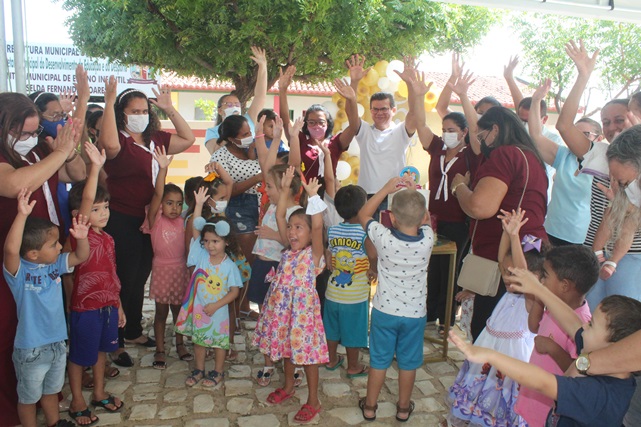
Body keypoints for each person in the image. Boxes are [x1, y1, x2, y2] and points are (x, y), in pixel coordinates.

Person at [97, 77, 195, 367]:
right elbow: (108, 143)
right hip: (123, 218)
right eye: (133, 112)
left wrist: (169, 109)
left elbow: (188, 139)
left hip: (150, 218)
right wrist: (108, 101)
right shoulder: (120, 143)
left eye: (144, 111)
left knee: (139, 276)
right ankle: (115, 340)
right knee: (124, 277)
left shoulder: (156, 139)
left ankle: (134, 331)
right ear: (121, 115)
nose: (140, 116)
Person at [0, 93, 79, 427]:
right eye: (23, 133)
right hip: (13, 259)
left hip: (44, 258)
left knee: (43, 332)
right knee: (10, 333)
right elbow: (16, 183)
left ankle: (46, 401)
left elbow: (74, 172)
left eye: (34, 132)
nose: (29, 140)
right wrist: (58, 153)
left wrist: (68, 148)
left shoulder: (36, 150)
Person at [482, 262, 641, 426]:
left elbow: (543, 382)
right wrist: (538, 289)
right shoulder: (600, 353)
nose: (584, 325)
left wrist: (492, 356)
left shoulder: (599, 394)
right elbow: (572, 323)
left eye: (592, 324)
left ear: (614, 346)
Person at [450, 106, 549, 341]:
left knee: (490, 330)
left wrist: (459, 187)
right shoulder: (532, 156)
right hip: (533, 249)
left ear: (495, 129)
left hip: (504, 255)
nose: (482, 144)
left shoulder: (506, 154)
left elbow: (480, 207)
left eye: (483, 137)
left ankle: (486, 376)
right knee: (517, 329)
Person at [446, 208, 544, 427]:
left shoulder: (532, 300)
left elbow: (521, 271)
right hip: (488, 352)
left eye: (513, 273)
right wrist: (506, 233)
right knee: (476, 396)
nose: (508, 277)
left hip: (510, 360)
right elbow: (501, 258)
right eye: (506, 272)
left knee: (498, 404)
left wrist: (515, 237)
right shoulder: (509, 293)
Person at [3, 189, 90, 427]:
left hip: (57, 344)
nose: (60, 247)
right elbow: (11, 250)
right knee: (29, 398)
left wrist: (81, 237)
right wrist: (21, 215)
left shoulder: (55, 264)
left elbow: (81, 255)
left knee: (51, 391)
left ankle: (54, 423)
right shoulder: (19, 273)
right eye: (53, 244)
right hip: (31, 349)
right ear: (33, 253)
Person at [252, 170, 329, 424]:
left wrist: (314, 198)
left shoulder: (313, 255)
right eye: (290, 228)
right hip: (284, 314)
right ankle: (288, 386)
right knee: (286, 351)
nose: (292, 232)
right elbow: (279, 214)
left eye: (299, 228)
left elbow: (317, 224)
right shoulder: (288, 250)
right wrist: (284, 190)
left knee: (308, 358)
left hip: (303, 319)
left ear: (309, 233)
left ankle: (313, 400)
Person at [357, 177, 433, 423]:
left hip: (384, 311)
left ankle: (370, 407)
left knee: (379, 360)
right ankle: (402, 408)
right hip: (415, 315)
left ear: (391, 218)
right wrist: (416, 194)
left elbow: (363, 214)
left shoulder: (383, 237)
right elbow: (426, 219)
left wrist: (387, 189)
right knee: (408, 363)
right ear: (423, 218)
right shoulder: (429, 239)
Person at [410, 67, 478, 333]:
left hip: (459, 220)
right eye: (444, 128)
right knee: (432, 268)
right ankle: (429, 314)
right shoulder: (438, 147)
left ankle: (447, 319)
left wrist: (461, 94)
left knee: (452, 269)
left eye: (452, 129)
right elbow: (419, 124)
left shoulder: (471, 154)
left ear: (463, 132)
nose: (447, 132)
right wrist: (417, 95)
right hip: (433, 219)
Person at [66, 143, 126, 425]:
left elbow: (112, 275)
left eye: (107, 207)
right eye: (97, 208)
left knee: (102, 351)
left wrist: (119, 306)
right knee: (80, 356)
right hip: (85, 308)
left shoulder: (109, 239)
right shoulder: (80, 234)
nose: (103, 213)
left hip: (108, 307)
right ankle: (77, 399)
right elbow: (87, 200)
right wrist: (95, 169)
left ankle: (99, 392)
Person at [513, 245, 597, 427]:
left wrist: (553, 348)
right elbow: (534, 326)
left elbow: (578, 371)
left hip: (547, 405)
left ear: (565, 285)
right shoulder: (554, 303)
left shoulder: (582, 324)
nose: (540, 280)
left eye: (545, 275)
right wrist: (539, 299)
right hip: (533, 393)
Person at [175, 189, 242, 388]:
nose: (210, 245)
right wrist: (197, 206)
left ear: (226, 241)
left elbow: (234, 292)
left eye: (215, 241)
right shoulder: (202, 255)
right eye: (206, 241)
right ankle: (199, 369)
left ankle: (218, 371)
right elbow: (196, 230)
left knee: (219, 343)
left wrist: (216, 305)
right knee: (199, 341)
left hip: (218, 312)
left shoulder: (229, 266)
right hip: (199, 310)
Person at [346, 56, 418, 211]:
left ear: (393, 110)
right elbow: (351, 114)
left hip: (395, 197)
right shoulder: (364, 131)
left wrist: (409, 84)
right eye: (375, 109)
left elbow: (414, 113)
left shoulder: (401, 131)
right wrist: (355, 82)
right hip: (366, 197)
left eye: (384, 109)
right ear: (370, 111)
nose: (379, 113)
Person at [529, 79, 593, 246]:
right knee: (530, 260)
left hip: (580, 241)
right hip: (547, 231)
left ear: (598, 139)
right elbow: (536, 136)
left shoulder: (604, 165)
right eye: (574, 133)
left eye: (585, 134)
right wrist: (536, 101)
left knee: (562, 273)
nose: (576, 138)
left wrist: (584, 75)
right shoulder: (565, 156)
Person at [144, 147, 193, 369]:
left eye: (178, 203)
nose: (174, 208)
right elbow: (156, 194)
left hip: (180, 270)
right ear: (161, 204)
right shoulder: (155, 221)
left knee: (179, 311)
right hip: (162, 271)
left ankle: (180, 344)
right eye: (169, 203)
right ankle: (161, 349)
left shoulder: (184, 222)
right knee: (161, 313)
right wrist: (164, 169)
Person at [210, 114, 262, 320]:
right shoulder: (220, 157)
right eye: (244, 134)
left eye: (250, 132)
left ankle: (244, 305)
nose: (249, 136)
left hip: (258, 208)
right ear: (231, 138)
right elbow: (224, 189)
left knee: (254, 261)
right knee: (243, 262)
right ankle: (236, 308)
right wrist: (256, 178)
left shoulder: (252, 152)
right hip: (236, 209)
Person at [324, 184, 373, 378]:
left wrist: (329, 256)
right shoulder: (364, 232)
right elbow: (374, 254)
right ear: (363, 208)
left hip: (332, 293)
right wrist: (374, 268)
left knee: (332, 329)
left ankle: (331, 359)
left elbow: (329, 250)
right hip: (355, 296)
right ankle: (353, 366)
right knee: (354, 331)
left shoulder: (333, 230)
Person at [280, 65, 355, 183]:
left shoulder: (336, 142)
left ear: (328, 123)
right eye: (312, 122)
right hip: (304, 195)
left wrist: (352, 99)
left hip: (329, 195)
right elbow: (285, 121)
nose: (317, 126)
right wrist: (282, 90)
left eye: (321, 122)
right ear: (306, 124)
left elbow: (354, 127)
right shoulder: (300, 139)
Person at [204, 47, 267, 155]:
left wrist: (263, 66)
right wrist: (229, 134)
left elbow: (260, 95)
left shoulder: (249, 119)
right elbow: (214, 151)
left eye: (237, 104)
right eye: (229, 105)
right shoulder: (213, 132)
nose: (234, 107)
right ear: (220, 111)